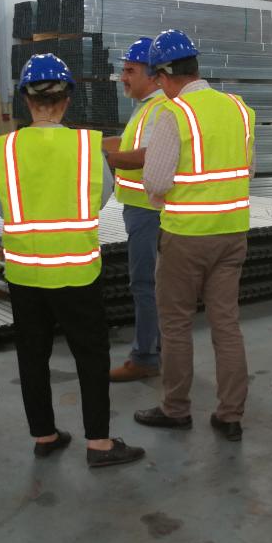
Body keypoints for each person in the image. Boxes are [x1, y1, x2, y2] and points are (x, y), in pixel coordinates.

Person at [0, 54, 145, 467]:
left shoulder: (5, 149)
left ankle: (45, 435)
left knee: (32, 355)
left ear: (25, 98)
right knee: (90, 354)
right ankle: (99, 444)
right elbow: (103, 196)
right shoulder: (88, 147)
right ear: (68, 98)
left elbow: (0, 203)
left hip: (25, 272)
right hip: (77, 270)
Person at [132, 30, 256, 442]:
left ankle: (176, 409)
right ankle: (230, 415)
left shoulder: (175, 114)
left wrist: (157, 197)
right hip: (233, 233)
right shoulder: (239, 110)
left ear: (166, 74)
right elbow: (249, 172)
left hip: (185, 235)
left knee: (176, 324)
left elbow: (156, 178)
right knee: (226, 325)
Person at [102, 38, 165, 382]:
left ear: (154, 76)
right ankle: (158, 349)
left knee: (144, 284)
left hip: (147, 210)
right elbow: (128, 144)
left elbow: (145, 155)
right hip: (143, 209)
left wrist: (102, 158)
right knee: (155, 285)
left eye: (130, 70)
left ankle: (145, 357)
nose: (122, 77)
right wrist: (88, 144)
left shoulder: (157, 109)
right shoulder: (146, 108)